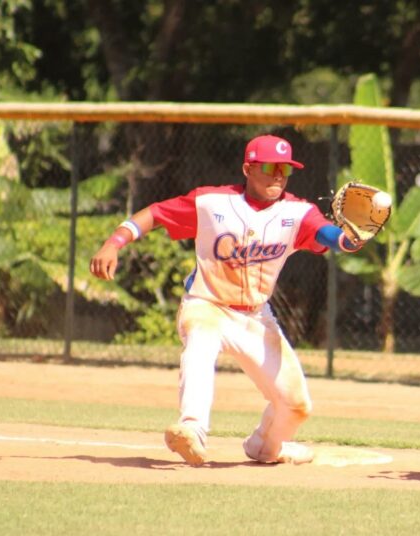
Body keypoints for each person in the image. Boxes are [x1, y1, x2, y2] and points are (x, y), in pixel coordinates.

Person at [90, 134, 364, 466]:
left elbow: (327, 235)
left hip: (255, 317)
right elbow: (156, 214)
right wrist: (114, 242)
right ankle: (191, 428)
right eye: (269, 166)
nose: (278, 174)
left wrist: (349, 240)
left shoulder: (297, 212)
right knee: (200, 343)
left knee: (296, 406)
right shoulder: (212, 203)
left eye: (285, 169)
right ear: (248, 168)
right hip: (207, 304)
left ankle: (264, 447)